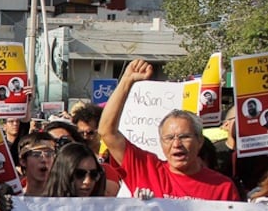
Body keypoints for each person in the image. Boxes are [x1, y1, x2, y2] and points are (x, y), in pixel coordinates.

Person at [98, 59, 240, 201]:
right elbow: (107, 132)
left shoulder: (223, 187)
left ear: (200, 141)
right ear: (161, 142)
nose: (176, 144)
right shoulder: (146, 170)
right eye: (169, 138)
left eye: (184, 137)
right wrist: (127, 80)